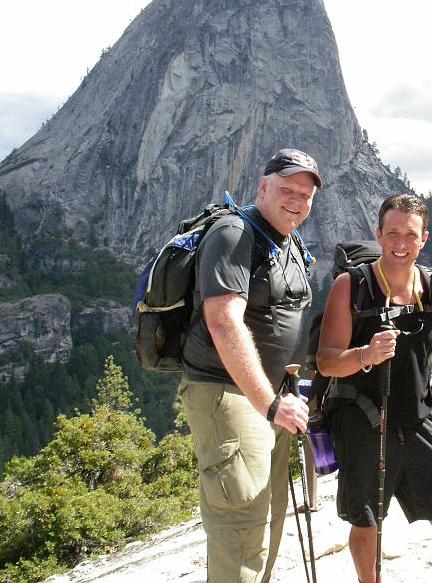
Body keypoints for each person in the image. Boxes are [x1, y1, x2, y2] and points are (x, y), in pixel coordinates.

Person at [178, 148, 321, 582]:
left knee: (272, 515)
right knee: (242, 526)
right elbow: (223, 321)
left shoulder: (289, 242)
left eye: (306, 193)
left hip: (273, 397)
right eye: (287, 189)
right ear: (262, 186)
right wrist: (269, 403)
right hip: (229, 394)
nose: (296, 199)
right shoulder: (234, 233)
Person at [317, 193, 432, 583]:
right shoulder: (350, 286)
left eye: (410, 234)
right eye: (392, 234)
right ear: (379, 234)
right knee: (367, 523)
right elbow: (327, 360)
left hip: (421, 417)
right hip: (363, 418)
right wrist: (366, 354)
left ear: (424, 238)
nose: (400, 244)